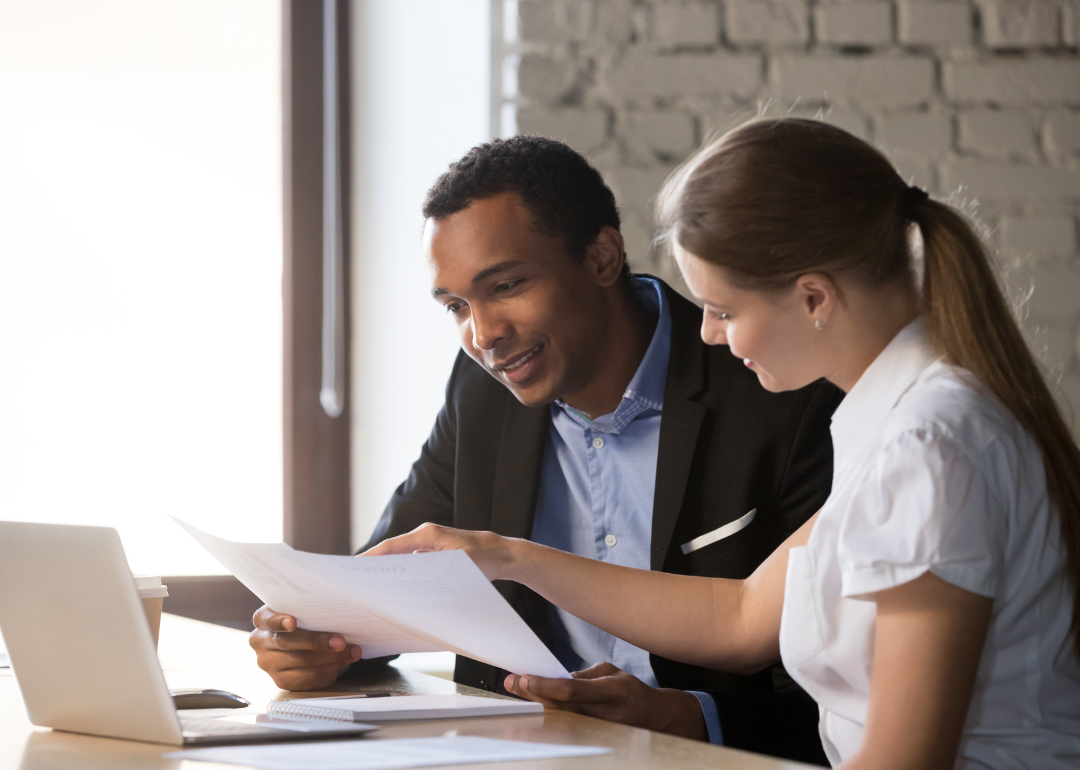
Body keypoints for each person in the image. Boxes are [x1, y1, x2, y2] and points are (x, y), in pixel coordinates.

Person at [365, 118, 1080, 770]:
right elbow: (740, 617)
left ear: (813, 298)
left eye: (722, 310)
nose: (706, 334)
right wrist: (508, 556)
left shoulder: (928, 447)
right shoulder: (895, 420)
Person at [249, 136, 843, 763]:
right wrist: (317, 641)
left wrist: (690, 716)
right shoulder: (480, 394)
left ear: (603, 257)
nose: (483, 336)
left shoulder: (782, 396)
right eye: (456, 306)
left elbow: (846, 694)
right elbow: (388, 582)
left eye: (505, 286)